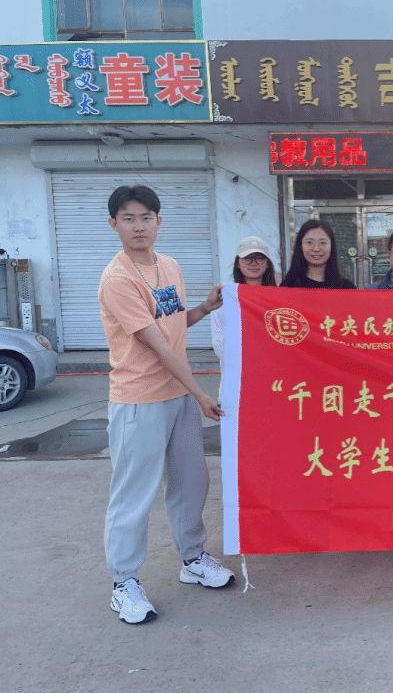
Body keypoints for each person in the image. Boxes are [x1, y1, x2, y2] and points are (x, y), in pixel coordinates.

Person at [98, 185, 235, 625]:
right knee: (133, 494)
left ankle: (193, 559)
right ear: (114, 224)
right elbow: (156, 344)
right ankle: (124, 583)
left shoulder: (169, 265)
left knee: (192, 482)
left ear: (159, 222)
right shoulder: (118, 279)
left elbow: (173, 324)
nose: (138, 226)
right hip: (139, 400)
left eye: (146, 217)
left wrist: (205, 308)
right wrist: (201, 392)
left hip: (178, 395)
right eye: (128, 218)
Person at [211, 236, 277, 364]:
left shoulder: (280, 299)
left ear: (268, 263)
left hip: (274, 369)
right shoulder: (225, 298)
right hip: (238, 370)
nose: (253, 263)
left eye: (260, 258)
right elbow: (219, 344)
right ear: (237, 263)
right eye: (247, 258)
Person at [280, 219, 356, 289]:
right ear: (300, 245)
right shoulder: (288, 287)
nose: (316, 249)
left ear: (331, 246)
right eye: (309, 242)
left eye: (323, 242)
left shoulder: (347, 288)